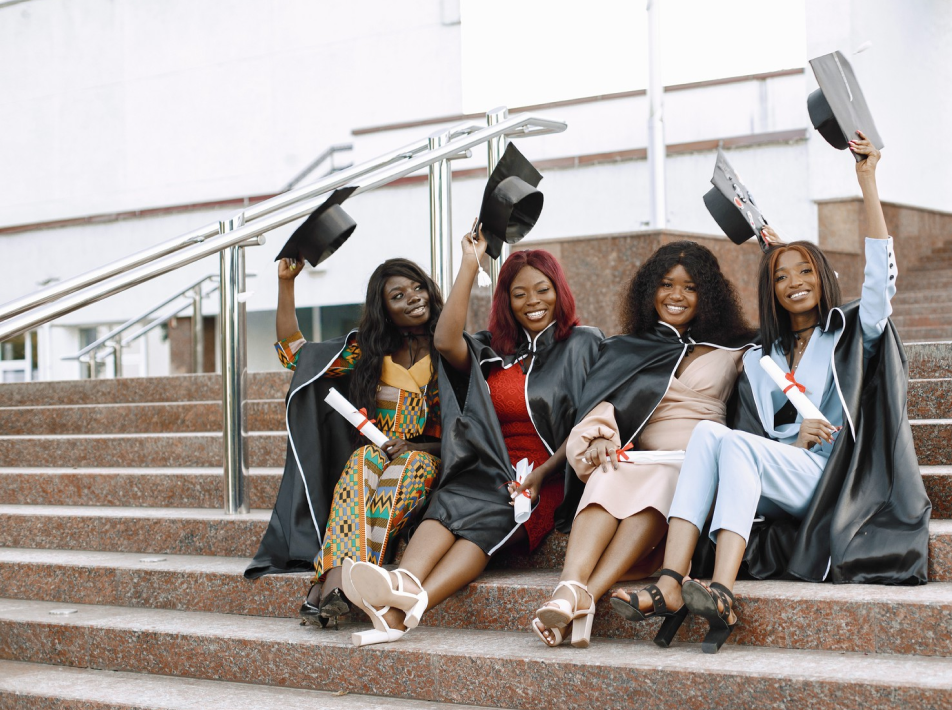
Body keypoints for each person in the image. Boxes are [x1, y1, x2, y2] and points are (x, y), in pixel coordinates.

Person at [612, 131, 931, 653]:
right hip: (779, 469)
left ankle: (721, 589)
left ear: (824, 276)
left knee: (731, 442)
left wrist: (866, 178)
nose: (796, 282)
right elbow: (754, 435)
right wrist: (789, 437)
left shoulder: (850, 329)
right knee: (713, 435)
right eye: (783, 276)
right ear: (773, 290)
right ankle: (672, 580)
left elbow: (880, 277)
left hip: (833, 475)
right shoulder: (762, 358)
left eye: (807, 270)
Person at [339, 232, 602, 646]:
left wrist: (543, 473)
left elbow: (587, 423)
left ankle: (405, 612)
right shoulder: (494, 349)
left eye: (542, 290)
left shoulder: (585, 343)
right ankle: (404, 581)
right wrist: (469, 264)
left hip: (546, 474)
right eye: (519, 294)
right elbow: (445, 340)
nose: (532, 301)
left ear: (559, 291)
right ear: (506, 302)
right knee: (454, 495)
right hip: (488, 462)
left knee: (490, 513)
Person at [531, 240, 755, 648]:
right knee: (609, 472)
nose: (676, 296)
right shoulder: (626, 349)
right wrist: (599, 441)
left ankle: (586, 594)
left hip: (701, 463)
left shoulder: (738, 347)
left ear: (709, 294)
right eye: (667, 284)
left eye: (690, 287)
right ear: (650, 290)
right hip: (645, 457)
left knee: (667, 480)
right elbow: (601, 409)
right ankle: (571, 589)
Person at [246, 257, 445, 633]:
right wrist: (286, 284)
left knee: (406, 466)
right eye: (398, 295)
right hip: (377, 457)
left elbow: (468, 428)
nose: (413, 298)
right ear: (383, 308)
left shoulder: (449, 347)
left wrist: (420, 447)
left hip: (429, 460)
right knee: (360, 461)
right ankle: (342, 579)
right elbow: (294, 354)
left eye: (418, 287)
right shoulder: (369, 353)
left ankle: (327, 583)